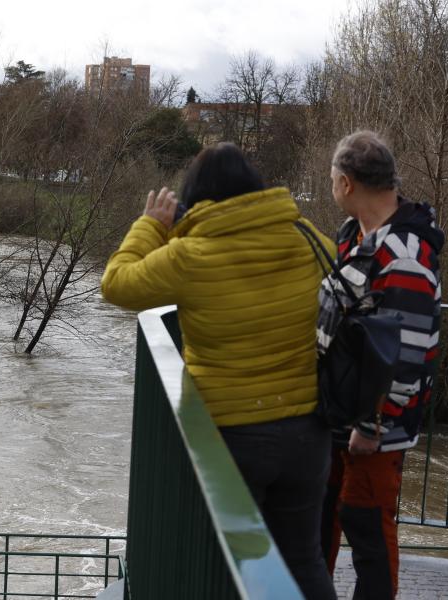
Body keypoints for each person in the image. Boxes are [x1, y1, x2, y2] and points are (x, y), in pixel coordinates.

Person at [101, 143, 338, 600]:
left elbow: (117, 282)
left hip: (233, 440)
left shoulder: (190, 254)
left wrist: (152, 225)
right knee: (303, 559)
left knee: (235, 568)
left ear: (196, 197)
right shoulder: (307, 237)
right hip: (309, 432)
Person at [317, 131, 444, 600]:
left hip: (374, 425)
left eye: (332, 179)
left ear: (347, 184)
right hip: (339, 412)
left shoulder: (405, 255)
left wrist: (372, 425)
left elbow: (406, 355)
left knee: (365, 523)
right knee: (322, 516)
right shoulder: (356, 236)